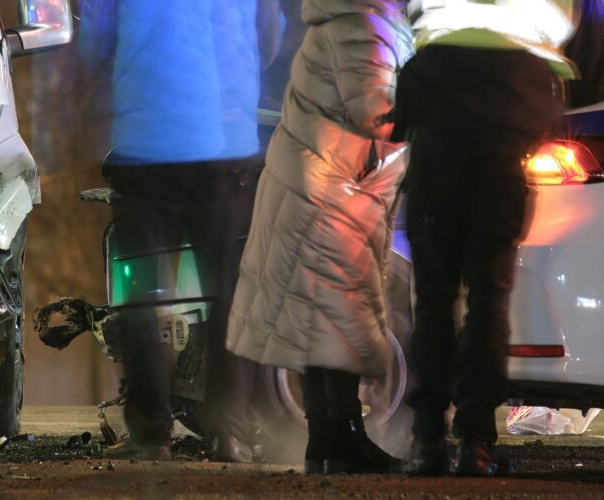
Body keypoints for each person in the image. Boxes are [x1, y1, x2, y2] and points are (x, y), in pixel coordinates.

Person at [225, 0, 414, 474]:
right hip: (333, 191)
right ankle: (342, 437)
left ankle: (329, 440)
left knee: (315, 318)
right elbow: (377, 115)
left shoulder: (341, 21)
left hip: (314, 185)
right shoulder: (363, 28)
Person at [79, 0, 272, 461]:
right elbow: (269, 38)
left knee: (144, 294)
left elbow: (95, 44)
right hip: (227, 144)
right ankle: (231, 434)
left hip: (148, 141)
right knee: (227, 292)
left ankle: (152, 433)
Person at [393, 0, 576, 477]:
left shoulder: (427, 60)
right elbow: (544, 125)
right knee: (488, 307)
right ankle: (475, 444)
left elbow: (399, 119)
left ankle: (427, 440)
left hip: (434, 187)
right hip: (497, 191)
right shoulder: (529, 65)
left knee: (432, 307)